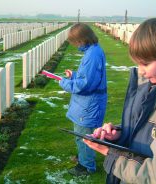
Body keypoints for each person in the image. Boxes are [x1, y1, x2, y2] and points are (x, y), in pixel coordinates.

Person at [84, 17, 156, 183]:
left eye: (145, 63)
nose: (141, 71)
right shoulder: (151, 87)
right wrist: (119, 134)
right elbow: (148, 132)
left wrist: (110, 153)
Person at [59, 23, 107, 176]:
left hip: (89, 104)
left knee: (84, 135)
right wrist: (73, 75)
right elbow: (88, 77)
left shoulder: (93, 55)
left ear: (82, 40)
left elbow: (85, 85)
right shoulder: (93, 51)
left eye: (76, 42)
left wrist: (64, 83)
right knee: (81, 133)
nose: (75, 45)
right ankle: (84, 158)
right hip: (86, 103)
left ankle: (86, 167)